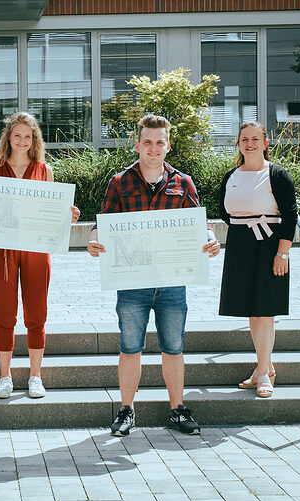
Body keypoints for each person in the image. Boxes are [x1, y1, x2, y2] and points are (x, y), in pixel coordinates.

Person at [87, 114, 221, 436]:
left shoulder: (183, 183)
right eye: (147, 141)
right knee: (129, 347)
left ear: (168, 145)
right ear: (137, 145)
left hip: (172, 283)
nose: (153, 148)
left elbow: (199, 222)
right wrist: (93, 238)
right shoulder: (119, 182)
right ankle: (126, 410)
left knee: (173, 347)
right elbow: (102, 221)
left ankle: (177, 410)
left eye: (160, 141)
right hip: (132, 283)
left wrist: (210, 237)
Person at [0, 112, 80, 399]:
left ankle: (35, 376)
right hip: (1, 250)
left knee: (36, 313)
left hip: (36, 249)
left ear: (35, 139)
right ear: (8, 138)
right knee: (4, 314)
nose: (23, 141)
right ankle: (5, 377)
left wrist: (68, 216)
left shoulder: (44, 170)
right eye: (18, 135)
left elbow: (51, 213)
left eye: (28, 136)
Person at [219, 121, 297, 398]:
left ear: (265, 142)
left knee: (265, 311)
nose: (249, 143)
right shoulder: (231, 175)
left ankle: (263, 373)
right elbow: (225, 212)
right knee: (253, 311)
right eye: (244, 139)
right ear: (238, 144)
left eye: (255, 139)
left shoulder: (276, 174)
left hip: (269, 246)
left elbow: (290, 216)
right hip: (240, 245)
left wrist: (282, 253)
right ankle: (265, 366)